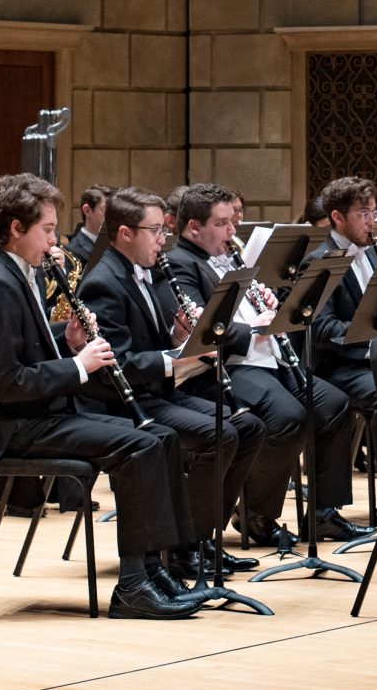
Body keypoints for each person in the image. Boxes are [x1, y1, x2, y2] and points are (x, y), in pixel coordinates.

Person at [0, 173, 205, 619]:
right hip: (16, 427)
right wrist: (79, 366)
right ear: (16, 228)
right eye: (48, 230)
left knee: (162, 436)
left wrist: (67, 341)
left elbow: (25, 347)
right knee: (141, 446)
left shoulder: (18, 274)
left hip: (42, 415)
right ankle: (133, 586)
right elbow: (5, 382)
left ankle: (155, 568)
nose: (56, 241)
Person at [79, 188, 262, 587]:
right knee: (220, 434)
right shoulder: (103, 283)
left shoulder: (145, 270)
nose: (164, 240)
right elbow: (117, 364)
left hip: (157, 391)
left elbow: (151, 341)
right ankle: (183, 546)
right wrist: (174, 359)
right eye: (156, 231)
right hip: (123, 403)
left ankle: (202, 535)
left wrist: (178, 338)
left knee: (248, 427)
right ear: (125, 233)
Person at [161, 182, 340, 550]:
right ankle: (256, 513)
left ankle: (323, 512)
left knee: (332, 404)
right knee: (288, 417)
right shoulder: (180, 263)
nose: (232, 231)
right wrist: (254, 329)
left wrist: (270, 310)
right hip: (227, 367)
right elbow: (200, 325)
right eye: (222, 224)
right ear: (193, 227)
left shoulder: (230, 256)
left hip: (266, 358)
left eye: (233, 222)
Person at [304, 176, 377, 540]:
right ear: (337, 217)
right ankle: (327, 512)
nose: (371, 221)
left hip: (367, 361)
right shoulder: (320, 262)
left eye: (374, 213)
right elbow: (322, 329)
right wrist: (370, 339)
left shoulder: (373, 253)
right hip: (337, 367)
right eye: (363, 213)